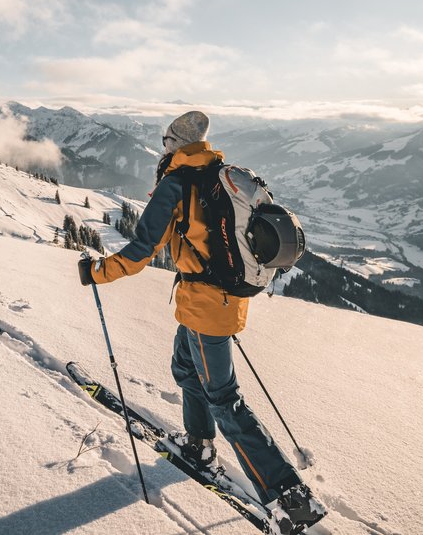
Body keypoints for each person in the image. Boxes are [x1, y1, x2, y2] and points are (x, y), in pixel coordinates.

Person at [77, 110, 323, 532]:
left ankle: (289, 497)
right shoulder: (217, 173)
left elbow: (140, 251)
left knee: (224, 398)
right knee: (185, 367)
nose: (162, 150)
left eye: (165, 142)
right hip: (211, 301)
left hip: (209, 306)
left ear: (173, 144)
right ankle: (199, 444)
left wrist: (97, 271)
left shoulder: (177, 183)